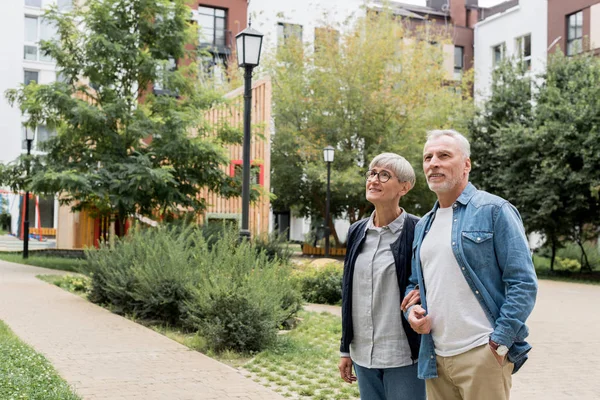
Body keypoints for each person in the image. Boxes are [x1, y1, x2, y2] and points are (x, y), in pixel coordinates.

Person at [402, 129, 538, 400]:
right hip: (435, 356)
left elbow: (523, 283)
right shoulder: (424, 225)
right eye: (428, 157)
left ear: (466, 164)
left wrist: (499, 342)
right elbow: (415, 284)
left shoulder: (494, 211)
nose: (433, 163)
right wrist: (412, 311)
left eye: (443, 155)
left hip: (481, 353)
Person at [339, 153, 426, 400]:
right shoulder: (357, 231)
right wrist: (345, 349)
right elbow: (349, 292)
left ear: (404, 187)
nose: (374, 180)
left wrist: (424, 291)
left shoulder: (418, 230)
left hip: (404, 355)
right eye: (372, 173)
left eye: (384, 175)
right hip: (363, 353)